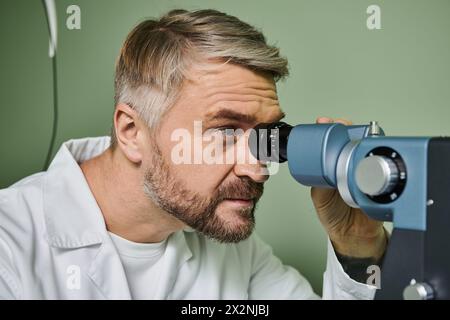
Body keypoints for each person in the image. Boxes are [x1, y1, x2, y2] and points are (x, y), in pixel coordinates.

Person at [0, 9, 387, 299]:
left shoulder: (233, 251)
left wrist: (357, 246)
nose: (257, 168)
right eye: (225, 131)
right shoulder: (10, 245)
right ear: (132, 132)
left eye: (266, 135)